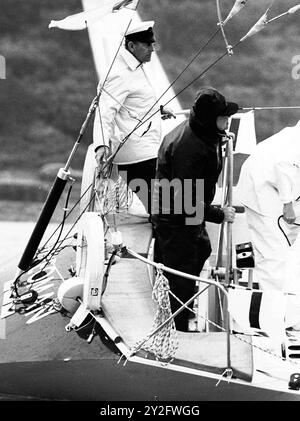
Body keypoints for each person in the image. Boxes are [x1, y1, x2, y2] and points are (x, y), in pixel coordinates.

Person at [151, 86, 237, 332]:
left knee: (201, 249)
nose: (227, 121)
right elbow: (182, 197)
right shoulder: (188, 147)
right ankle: (175, 329)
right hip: (174, 217)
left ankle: (178, 315)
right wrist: (218, 214)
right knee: (181, 275)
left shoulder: (204, 135)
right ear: (211, 120)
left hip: (187, 213)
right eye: (223, 117)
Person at [93, 20, 174, 214]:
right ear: (131, 46)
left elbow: (134, 102)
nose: (152, 49)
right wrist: (101, 145)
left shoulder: (136, 66)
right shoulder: (118, 73)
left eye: (152, 44)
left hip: (148, 152)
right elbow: (104, 112)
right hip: (137, 157)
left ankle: (171, 235)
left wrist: (158, 109)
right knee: (167, 210)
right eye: (147, 45)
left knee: (168, 208)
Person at [237, 120, 300, 329]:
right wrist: (287, 204)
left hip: (273, 184)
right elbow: (283, 165)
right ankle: (277, 320)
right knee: (273, 254)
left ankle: (287, 312)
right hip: (262, 186)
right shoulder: (293, 143)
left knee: (285, 253)